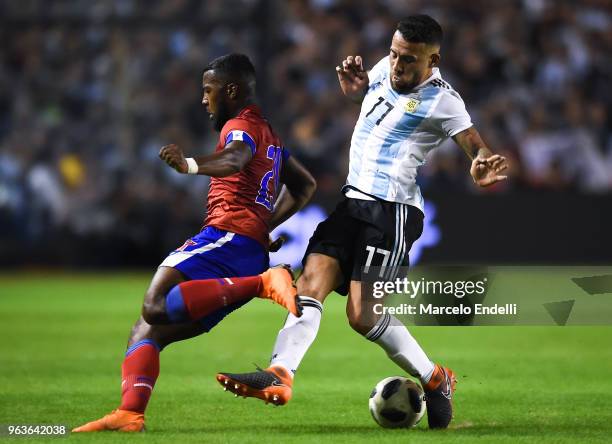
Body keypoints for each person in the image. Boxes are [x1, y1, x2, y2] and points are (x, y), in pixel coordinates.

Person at [217, 16, 508, 429]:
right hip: (351, 203)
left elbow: (474, 145)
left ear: (433, 59)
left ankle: (437, 378)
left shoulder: (445, 100)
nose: (397, 65)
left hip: (393, 214)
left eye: (408, 59)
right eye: (393, 54)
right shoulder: (383, 69)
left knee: (363, 316)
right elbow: (372, 104)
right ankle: (280, 374)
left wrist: (480, 164)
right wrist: (356, 93)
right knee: (308, 285)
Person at [73, 53, 316, 432]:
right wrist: (262, 223)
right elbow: (304, 185)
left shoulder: (240, 125)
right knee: (147, 329)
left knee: (154, 304)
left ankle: (265, 283)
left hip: (225, 238)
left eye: (209, 90)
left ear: (231, 90)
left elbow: (235, 158)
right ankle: (130, 413)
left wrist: (188, 164)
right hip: (244, 247)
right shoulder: (270, 134)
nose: (204, 100)